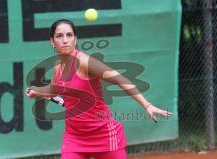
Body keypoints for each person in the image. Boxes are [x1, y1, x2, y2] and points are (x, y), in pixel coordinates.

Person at [26, 19, 173, 159]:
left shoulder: (86, 63)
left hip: (104, 135)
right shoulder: (58, 66)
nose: (65, 40)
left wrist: (146, 105)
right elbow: (54, 89)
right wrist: (37, 91)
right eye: (59, 36)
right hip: (74, 137)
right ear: (52, 42)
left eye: (69, 35)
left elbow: (120, 79)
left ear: (75, 39)